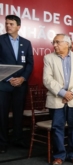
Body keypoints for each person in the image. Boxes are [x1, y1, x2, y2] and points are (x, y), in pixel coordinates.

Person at [43, 34, 73, 165]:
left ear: (67, 44)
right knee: (57, 128)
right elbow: (47, 79)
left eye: (57, 42)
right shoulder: (48, 58)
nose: (54, 45)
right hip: (57, 99)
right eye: (54, 42)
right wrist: (63, 93)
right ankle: (59, 156)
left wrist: (72, 93)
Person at [0, 15, 34, 154]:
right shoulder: (0, 40)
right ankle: (2, 142)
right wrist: (9, 79)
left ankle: (17, 139)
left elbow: (30, 64)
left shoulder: (26, 43)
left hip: (20, 85)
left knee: (18, 114)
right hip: (3, 85)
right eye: (6, 23)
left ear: (18, 26)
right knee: (1, 115)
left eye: (11, 24)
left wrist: (22, 78)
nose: (8, 26)